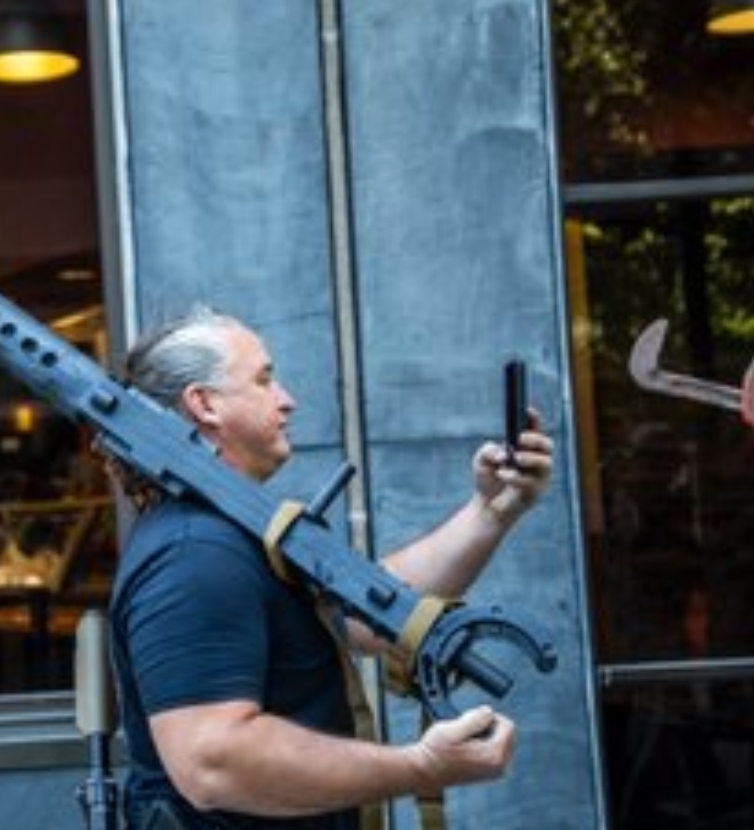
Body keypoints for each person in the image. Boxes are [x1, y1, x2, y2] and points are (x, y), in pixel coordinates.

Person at [107, 306, 555, 830]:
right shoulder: (193, 555)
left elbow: (365, 614)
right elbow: (213, 760)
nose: (287, 399)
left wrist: (491, 511)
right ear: (204, 404)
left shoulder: (234, 533)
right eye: (264, 379)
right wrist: (420, 766)